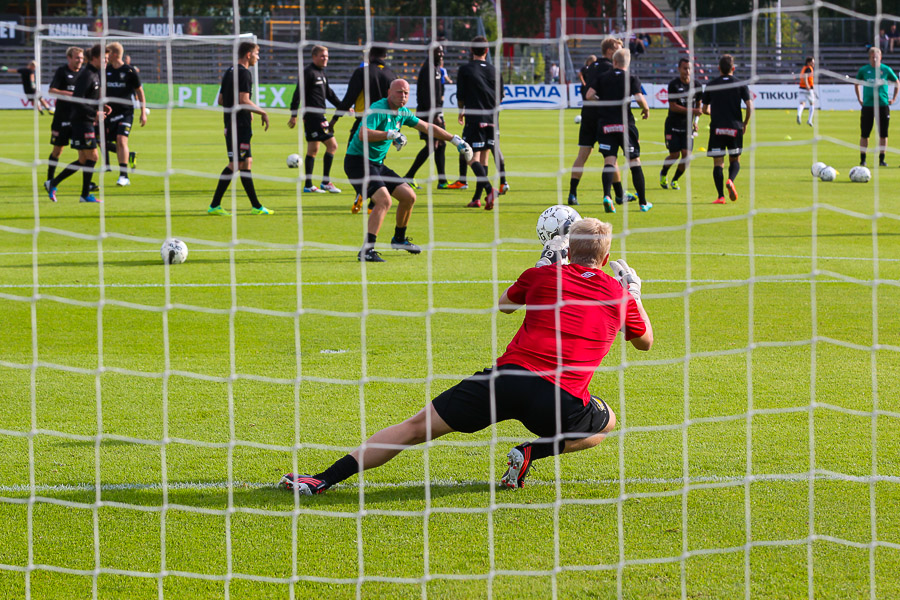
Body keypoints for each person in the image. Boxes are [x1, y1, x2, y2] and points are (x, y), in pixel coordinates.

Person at [279, 217, 653, 495]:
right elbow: (645, 342)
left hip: (505, 381)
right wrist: (633, 292)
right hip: (559, 402)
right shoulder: (619, 297)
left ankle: (323, 479)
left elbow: (506, 305)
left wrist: (546, 267)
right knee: (607, 423)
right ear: (605, 260)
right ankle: (530, 453)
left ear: (569, 250)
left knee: (412, 429)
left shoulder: (542, 277)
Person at [344, 78, 473, 262]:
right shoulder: (378, 108)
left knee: (409, 196)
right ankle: (367, 250)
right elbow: (363, 134)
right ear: (389, 92)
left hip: (377, 164)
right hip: (358, 162)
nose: (402, 96)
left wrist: (455, 140)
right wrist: (391, 134)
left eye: (406, 93)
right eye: (399, 92)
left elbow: (427, 127)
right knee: (384, 201)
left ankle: (399, 239)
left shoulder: (403, 112)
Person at [207, 41, 272, 216]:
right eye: (257, 54)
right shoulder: (244, 73)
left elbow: (221, 100)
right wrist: (262, 112)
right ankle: (214, 205)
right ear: (249, 55)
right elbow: (244, 100)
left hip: (232, 123)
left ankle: (256, 206)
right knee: (236, 163)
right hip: (239, 126)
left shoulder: (229, 71)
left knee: (246, 163)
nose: (258, 57)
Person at [568, 37, 634, 207]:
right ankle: (618, 195)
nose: (621, 52)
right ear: (611, 50)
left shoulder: (592, 66)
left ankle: (572, 194)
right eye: (619, 48)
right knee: (611, 157)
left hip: (587, 114)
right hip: (603, 117)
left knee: (582, 155)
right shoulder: (610, 67)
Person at [331, 47, 397, 214]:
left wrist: (334, 119)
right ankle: (373, 201)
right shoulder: (392, 75)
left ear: (369, 56)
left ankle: (362, 192)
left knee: (353, 159)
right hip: (385, 126)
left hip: (364, 123)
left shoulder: (362, 72)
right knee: (376, 162)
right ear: (385, 56)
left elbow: (350, 97)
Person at [588, 47, 652, 213]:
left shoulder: (603, 78)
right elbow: (639, 98)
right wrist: (646, 109)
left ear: (614, 62)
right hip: (625, 125)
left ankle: (607, 196)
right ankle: (643, 203)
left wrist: (601, 102)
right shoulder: (631, 78)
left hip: (606, 125)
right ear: (627, 63)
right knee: (634, 162)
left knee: (609, 161)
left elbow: (589, 95)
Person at [44, 44, 108, 204]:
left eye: (107, 59)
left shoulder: (94, 73)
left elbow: (89, 97)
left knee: (83, 159)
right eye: (104, 58)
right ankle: (82, 193)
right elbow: (78, 100)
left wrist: (101, 105)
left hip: (83, 119)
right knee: (93, 156)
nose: (106, 61)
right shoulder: (87, 75)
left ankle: (67, 188)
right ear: (94, 58)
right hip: (81, 121)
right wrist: (95, 113)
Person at [288, 45, 342, 194]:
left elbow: (329, 94)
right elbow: (298, 92)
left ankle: (309, 185)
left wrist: (343, 106)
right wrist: (294, 114)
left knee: (313, 150)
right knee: (332, 146)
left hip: (316, 117)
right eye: (322, 56)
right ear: (314, 57)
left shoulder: (321, 73)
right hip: (314, 117)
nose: (325, 59)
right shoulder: (308, 72)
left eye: (327, 56)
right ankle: (325, 182)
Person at [455, 36, 501, 210]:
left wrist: (462, 110)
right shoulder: (494, 70)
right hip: (492, 119)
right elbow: (500, 97)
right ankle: (476, 198)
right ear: (487, 50)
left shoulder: (465, 69)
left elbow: (460, 96)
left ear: (471, 50)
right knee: (484, 158)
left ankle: (489, 189)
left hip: (475, 118)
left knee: (470, 157)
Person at [701, 54, 753, 204]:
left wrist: (714, 113)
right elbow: (750, 107)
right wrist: (745, 123)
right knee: (734, 159)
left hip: (717, 127)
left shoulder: (711, 84)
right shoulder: (741, 84)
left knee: (718, 162)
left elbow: (704, 109)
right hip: (734, 127)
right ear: (733, 68)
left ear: (719, 68)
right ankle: (730, 180)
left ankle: (720, 196)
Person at [403, 44, 450, 190]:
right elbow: (425, 95)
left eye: (442, 52)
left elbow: (436, 95)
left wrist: (439, 113)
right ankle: (409, 176)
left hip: (434, 113)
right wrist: (434, 115)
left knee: (441, 144)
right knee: (433, 145)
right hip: (427, 114)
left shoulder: (436, 68)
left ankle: (442, 180)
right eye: (438, 52)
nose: (441, 55)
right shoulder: (428, 69)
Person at [104, 42, 147, 187]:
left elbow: (140, 92)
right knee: (101, 142)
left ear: (114, 55)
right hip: (108, 113)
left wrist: (143, 112)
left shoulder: (129, 71)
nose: (106, 57)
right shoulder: (105, 71)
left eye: (107, 53)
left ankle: (124, 176)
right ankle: (130, 155)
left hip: (125, 112)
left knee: (121, 140)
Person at [44, 47, 84, 190]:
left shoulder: (85, 73)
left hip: (78, 119)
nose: (80, 61)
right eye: (77, 58)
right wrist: (70, 93)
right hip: (62, 118)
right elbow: (51, 90)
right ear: (69, 58)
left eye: (81, 58)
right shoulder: (62, 71)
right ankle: (49, 180)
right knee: (57, 151)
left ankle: (87, 184)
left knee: (84, 153)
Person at [660, 58, 701, 190]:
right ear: (679, 69)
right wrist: (693, 111)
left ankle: (675, 180)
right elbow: (673, 107)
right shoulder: (673, 85)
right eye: (685, 68)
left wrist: (695, 122)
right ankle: (664, 173)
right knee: (674, 155)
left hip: (687, 127)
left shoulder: (697, 86)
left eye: (689, 69)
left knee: (687, 156)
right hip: (673, 125)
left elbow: (699, 108)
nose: (687, 71)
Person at [855, 46, 898, 167]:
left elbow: (897, 82)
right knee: (865, 134)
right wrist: (859, 99)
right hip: (868, 106)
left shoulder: (886, 70)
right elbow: (856, 83)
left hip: (883, 105)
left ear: (881, 57)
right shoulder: (864, 70)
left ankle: (881, 159)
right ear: (869, 57)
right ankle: (863, 160)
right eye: (873, 57)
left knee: (883, 134)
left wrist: (894, 98)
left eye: (877, 57)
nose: (875, 59)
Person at [797, 57, 815, 127]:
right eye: (812, 62)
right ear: (809, 62)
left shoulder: (804, 68)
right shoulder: (808, 68)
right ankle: (809, 120)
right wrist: (807, 85)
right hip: (808, 88)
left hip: (801, 87)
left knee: (802, 103)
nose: (813, 64)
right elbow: (805, 77)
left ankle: (799, 114)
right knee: (812, 103)